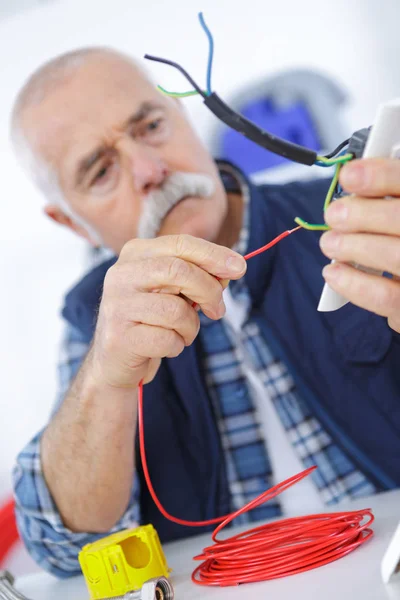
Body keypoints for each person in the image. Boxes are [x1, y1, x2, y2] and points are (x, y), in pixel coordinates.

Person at [10, 47, 400, 578]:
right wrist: (105, 379)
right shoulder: (92, 317)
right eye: (101, 170)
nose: (150, 169)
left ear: (186, 119)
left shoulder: (349, 220)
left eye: (150, 125)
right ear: (73, 224)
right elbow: (62, 550)